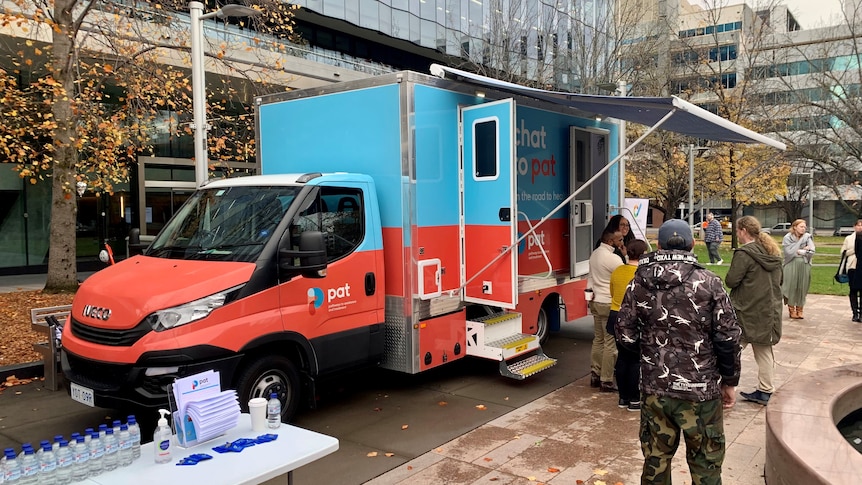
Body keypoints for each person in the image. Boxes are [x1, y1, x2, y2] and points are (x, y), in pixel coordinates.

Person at [616, 219, 741, 484]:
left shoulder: (638, 281)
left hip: (655, 390)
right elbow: (728, 336)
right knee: (706, 467)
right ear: (693, 243)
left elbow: (624, 331)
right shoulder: (710, 282)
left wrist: (650, 356)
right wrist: (729, 381)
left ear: (658, 245)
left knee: (655, 465)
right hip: (701, 393)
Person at [725, 216, 783, 406]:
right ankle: (766, 390)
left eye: (737, 231)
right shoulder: (772, 251)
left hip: (746, 309)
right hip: (769, 309)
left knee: (731, 348)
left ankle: (722, 385)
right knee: (764, 350)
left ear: (742, 230)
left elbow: (731, 281)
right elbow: (779, 281)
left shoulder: (744, 254)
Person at [608, 238, 649, 411]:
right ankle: (634, 399)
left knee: (622, 358)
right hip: (634, 319)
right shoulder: (642, 274)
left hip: (615, 315)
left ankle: (622, 397)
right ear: (643, 254)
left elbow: (611, 290)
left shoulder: (618, 270)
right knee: (635, 360)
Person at [588, 228, 624, 391]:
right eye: (620, 240)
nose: (622, 243)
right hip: (609, 303)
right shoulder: (613, 258)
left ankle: (595, 374)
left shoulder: (595, 254)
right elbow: (625, 273)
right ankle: (606, 379)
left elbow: (590, 277)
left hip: (595, 301)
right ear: (611, 242)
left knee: (598, 339)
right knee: (611, 344)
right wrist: (625, 254)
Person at [781, 219, 815, 319]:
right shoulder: (787, 237)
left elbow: (812, 251)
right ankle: (791, 310)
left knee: (802, 287)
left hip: (804, 264)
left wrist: (801, 252)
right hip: (791, 264)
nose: (803, 229)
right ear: (795, 227)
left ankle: (800, 309)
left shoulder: (807, 237)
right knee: (791, 287)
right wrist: (802, 249)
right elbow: (789, 253)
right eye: (801, 226)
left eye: (805, 227)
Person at [841, 219, 862, 322]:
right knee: (853, 289)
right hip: (852, 267)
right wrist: (854, 249)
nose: (860, 227)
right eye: (858, 225)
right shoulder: (849, 238)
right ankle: (855, 313)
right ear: (855, 227)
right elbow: (843, 252)